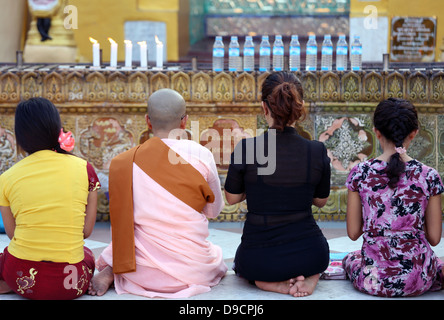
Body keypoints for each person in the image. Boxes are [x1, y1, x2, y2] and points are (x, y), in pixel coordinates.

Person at [89, 88, 227, 298]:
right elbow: (214, 211)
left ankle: (114, 267)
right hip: (192, 268)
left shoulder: (126, 161)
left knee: (134, 235)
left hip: (138, 268)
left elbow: (123, 220)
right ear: (184, 121)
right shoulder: (201, 155)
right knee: (215, 255)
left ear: (148, 121)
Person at [224, 71, 331, 297]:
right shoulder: (316, 150)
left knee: (243, 263)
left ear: (265, 108)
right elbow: (321, 202)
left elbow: (232, 198)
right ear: (299, 108)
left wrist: (256, 186)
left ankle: (268, 282)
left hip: (259, 259)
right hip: (311, 254)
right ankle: (310, 277)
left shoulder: (247, 149)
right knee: (317, 260)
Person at [0, 97, 100, 300]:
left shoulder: (6, 178)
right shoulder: (84, 169)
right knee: (88, 254)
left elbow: (12, 235)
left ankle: (8, 283)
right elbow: (86, 232)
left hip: (21, 278)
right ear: (57, 129)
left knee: (7, 255)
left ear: (19, 137)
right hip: (72, 283)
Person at [343, 98, 444, 297]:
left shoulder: (360, 173)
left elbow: (354, 233)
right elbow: (434, 238)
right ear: (414, 134)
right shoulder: (429, 176)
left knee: (351, 259)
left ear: (376, 132)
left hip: (374, 281)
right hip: (418, 279)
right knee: (437, 261)